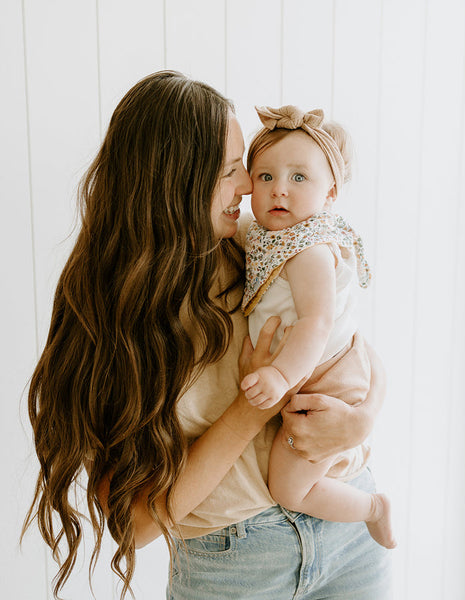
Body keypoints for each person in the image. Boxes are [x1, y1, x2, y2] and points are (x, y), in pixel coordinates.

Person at [23, 71, 391, 600]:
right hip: (234, 563)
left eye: (244, 167)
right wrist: (251, 409)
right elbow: (139, 524)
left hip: (349, 526)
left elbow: (351, 345)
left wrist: (362, 419)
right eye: (228, 171)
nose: (249, 186)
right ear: (171, 184)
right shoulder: (106, 316)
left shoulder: (259, 245)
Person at [240, 105, 396, 551]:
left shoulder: (308, 247)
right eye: (265, 177)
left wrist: (279, 375)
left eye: (298, 178)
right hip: (314, 371)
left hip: (325, 378)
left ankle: (374, 508)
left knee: (289, 489)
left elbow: (317, 319)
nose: (279, 191)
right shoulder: (270, 236)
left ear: (331, 193)